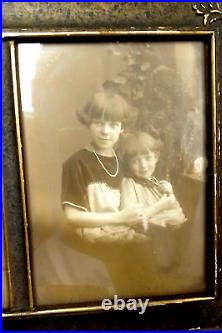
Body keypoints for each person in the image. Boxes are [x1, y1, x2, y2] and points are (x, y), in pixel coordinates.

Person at [61, 90, 147, 243]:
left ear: (122, 128)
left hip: (121, 232)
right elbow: (72, 216)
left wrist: (138, 218)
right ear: (89, 124)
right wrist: (120, 218)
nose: (106, 131)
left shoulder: (122, 161)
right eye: (99, 123)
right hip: (92, 237)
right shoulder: (77, 163)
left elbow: (131, 203)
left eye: (113, 125)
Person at [120, 131, 187, 269]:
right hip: (154, 235)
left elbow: (176, 210)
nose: (143, 165)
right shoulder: (128, 183)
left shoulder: (156, 182)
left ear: (156, 157)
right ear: (128, 164)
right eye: (135, 161)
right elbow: (129, 218)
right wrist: (160, 206)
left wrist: (170, 193)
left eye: (147, 158)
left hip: (173, 229)